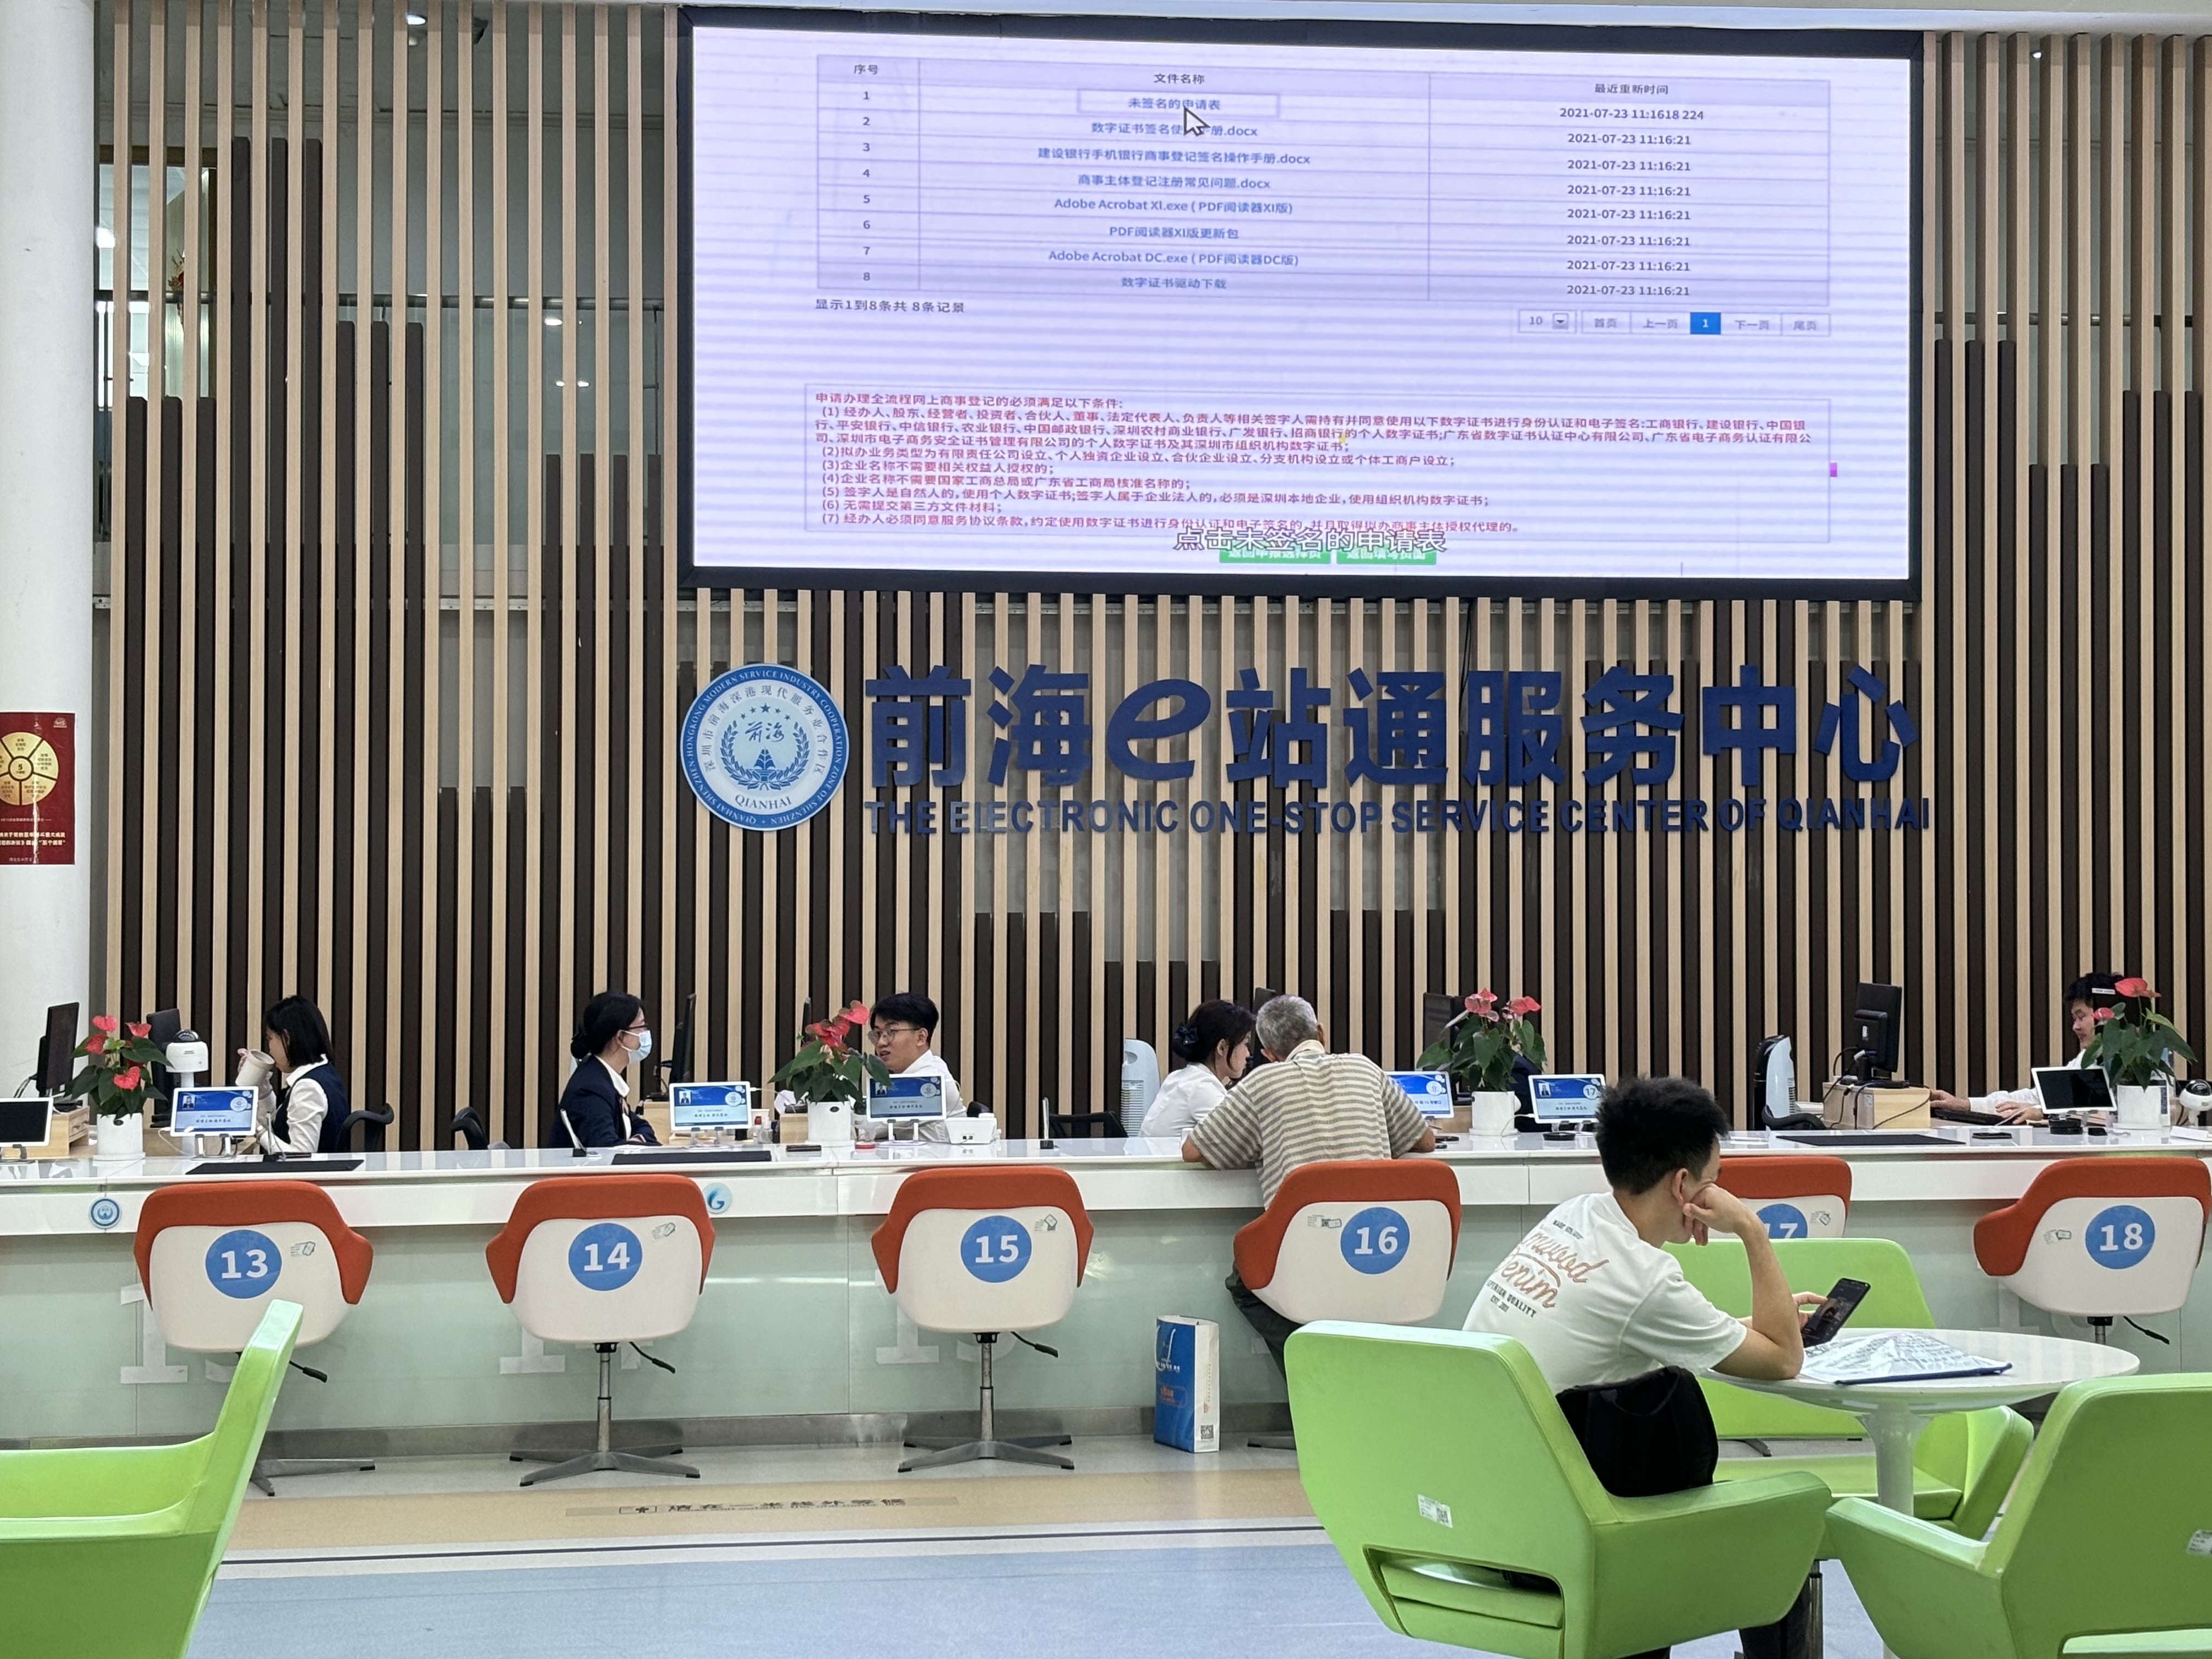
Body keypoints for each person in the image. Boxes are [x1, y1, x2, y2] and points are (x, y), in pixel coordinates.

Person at [1464, 1075, 1824, 1659]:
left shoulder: (1572, 1218)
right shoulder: (1644, 1279)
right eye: (1715, 1180)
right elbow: (1784, 1360)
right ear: (1684, 1185)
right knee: (1778, 1536)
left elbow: (1620, 1326)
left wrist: (1736, 1331)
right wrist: (1752, 1231)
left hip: (1489, 1515)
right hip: (1570, 1541)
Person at [1183, 995, 1435, 1368]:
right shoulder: (1364, 1069)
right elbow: (1425, 1141)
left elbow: (1194, 1150)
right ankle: (1339, 1371)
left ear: (1268, 1053)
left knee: (1244, 1284)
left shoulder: (1263, 1082)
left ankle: (1316, 1367)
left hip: (1303, 1258)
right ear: (1321, 1033)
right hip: (1379, 1251)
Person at [1927, 970, 2119, 1123]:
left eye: (2081, 1017)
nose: (2075, 1027)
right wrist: (1966, 1105)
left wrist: (2044, 1113)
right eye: (2074, 1019)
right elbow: (2038, 1097)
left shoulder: (2131, 1061)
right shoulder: (2088, 1058)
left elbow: (2108, 1114)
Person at [551, 991, 660, 1149]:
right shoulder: (590, 1089)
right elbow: (606, 1149)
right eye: (641, 1027)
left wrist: (635, 1142)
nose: (645, 1033)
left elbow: (642, 1127)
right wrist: (635, 1144)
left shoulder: (603, 1077)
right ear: (620, 1037)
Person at [248, 996, 351, 1155]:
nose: (269, 1049)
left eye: (270, 1039)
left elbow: (300, 1157)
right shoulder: (325, 1074)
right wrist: (264, 1091)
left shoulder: (307, 1088)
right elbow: (279, 1126)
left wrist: (257, 1130)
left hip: (312, 1172)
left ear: (287, 1038)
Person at [1139, 999, 1255, 1139]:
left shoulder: (1181, 1077)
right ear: (1222, 1048)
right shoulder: (1202, 1088)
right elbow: (1242, 1139)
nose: (1248, 1054)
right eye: (1245, 1044)